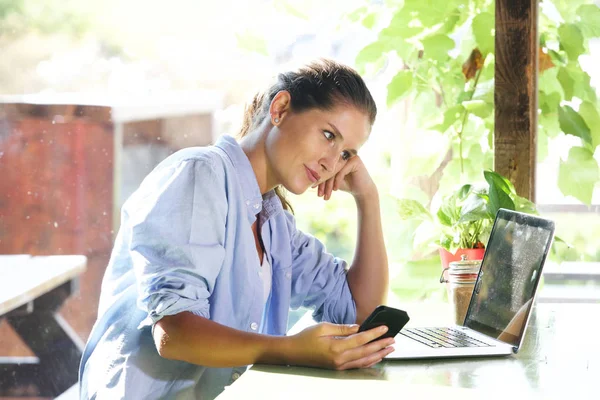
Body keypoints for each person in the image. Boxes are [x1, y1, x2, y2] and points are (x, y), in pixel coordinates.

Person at [79, 59, 391, 399]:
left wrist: (367, 198)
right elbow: (175, 333)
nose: (332, 162)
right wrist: (291, 349)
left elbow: (360, 313)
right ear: (281, 108)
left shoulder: (275, 225)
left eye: (346, 153)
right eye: (328, 135)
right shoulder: (199, 176)